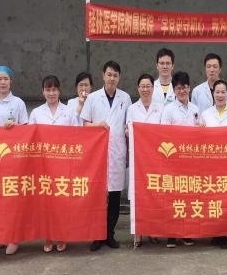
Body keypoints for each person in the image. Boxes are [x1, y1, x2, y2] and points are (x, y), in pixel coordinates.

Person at [81, 60, 132, 251]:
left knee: (115, 195)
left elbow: (128, 125)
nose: (112, 78)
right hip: (98, 155)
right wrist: (98, 125)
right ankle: (97, 235)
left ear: (119, 78)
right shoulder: (93, 98)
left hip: (117, 152)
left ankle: (109, 233)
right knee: (97, 196)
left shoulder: (125, 98)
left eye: (115, 75)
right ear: (103, 76)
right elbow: (84, 124)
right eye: (109, 75)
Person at [0, 65, 29, 255]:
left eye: (6, 79)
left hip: (13, 158)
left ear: (11, 81)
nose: (3, 82)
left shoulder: (18, 103)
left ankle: (13, 237)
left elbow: (26, 130)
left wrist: (15, 126)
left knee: (12, 198)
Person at [29, 75, 79, 253]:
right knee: (47, 202)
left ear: (59, 91)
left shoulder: (69, 112)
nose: (51, 93)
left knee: (62, 201)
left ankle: (62, 235)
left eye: (54, 89)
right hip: (43, 165)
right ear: (42, 92)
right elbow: (29, 137)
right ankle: (48, 236)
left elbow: (77, 136)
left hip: (63, 163)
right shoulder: (36, 113)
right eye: (48, 90)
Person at [200, 79, 227, 249]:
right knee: (212, 199)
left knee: (226, 199)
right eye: (217, 92)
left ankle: (225, 233)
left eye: (223, 92)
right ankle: (214, 231)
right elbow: (199, 140)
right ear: (213, 94)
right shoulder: (205, 115)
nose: (220, 95)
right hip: (210, 164)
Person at [125, 73, 165, 248]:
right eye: (143, 86)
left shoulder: (161, 108)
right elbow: (128, 130)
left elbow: (163, 132)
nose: (146, 89)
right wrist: (131, 131)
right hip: (138, 159)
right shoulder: (132, 109)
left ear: (153, 88)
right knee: (138, 195)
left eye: (148, 86)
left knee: (154, 194)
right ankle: (138, 233)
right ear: (138, 88)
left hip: (156, 158)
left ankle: (153, 230)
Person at [159, 71, 198, 248]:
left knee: (189, 197)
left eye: (185, 87)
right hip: (173, 161)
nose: (182, 91)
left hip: (191, 161)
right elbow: (164, 134)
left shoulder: (196, 109)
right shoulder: (168, 110)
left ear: (190, 88)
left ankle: (186, 232)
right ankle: (171, 234)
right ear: (174, 90)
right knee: (172, 198)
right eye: (178, 88)